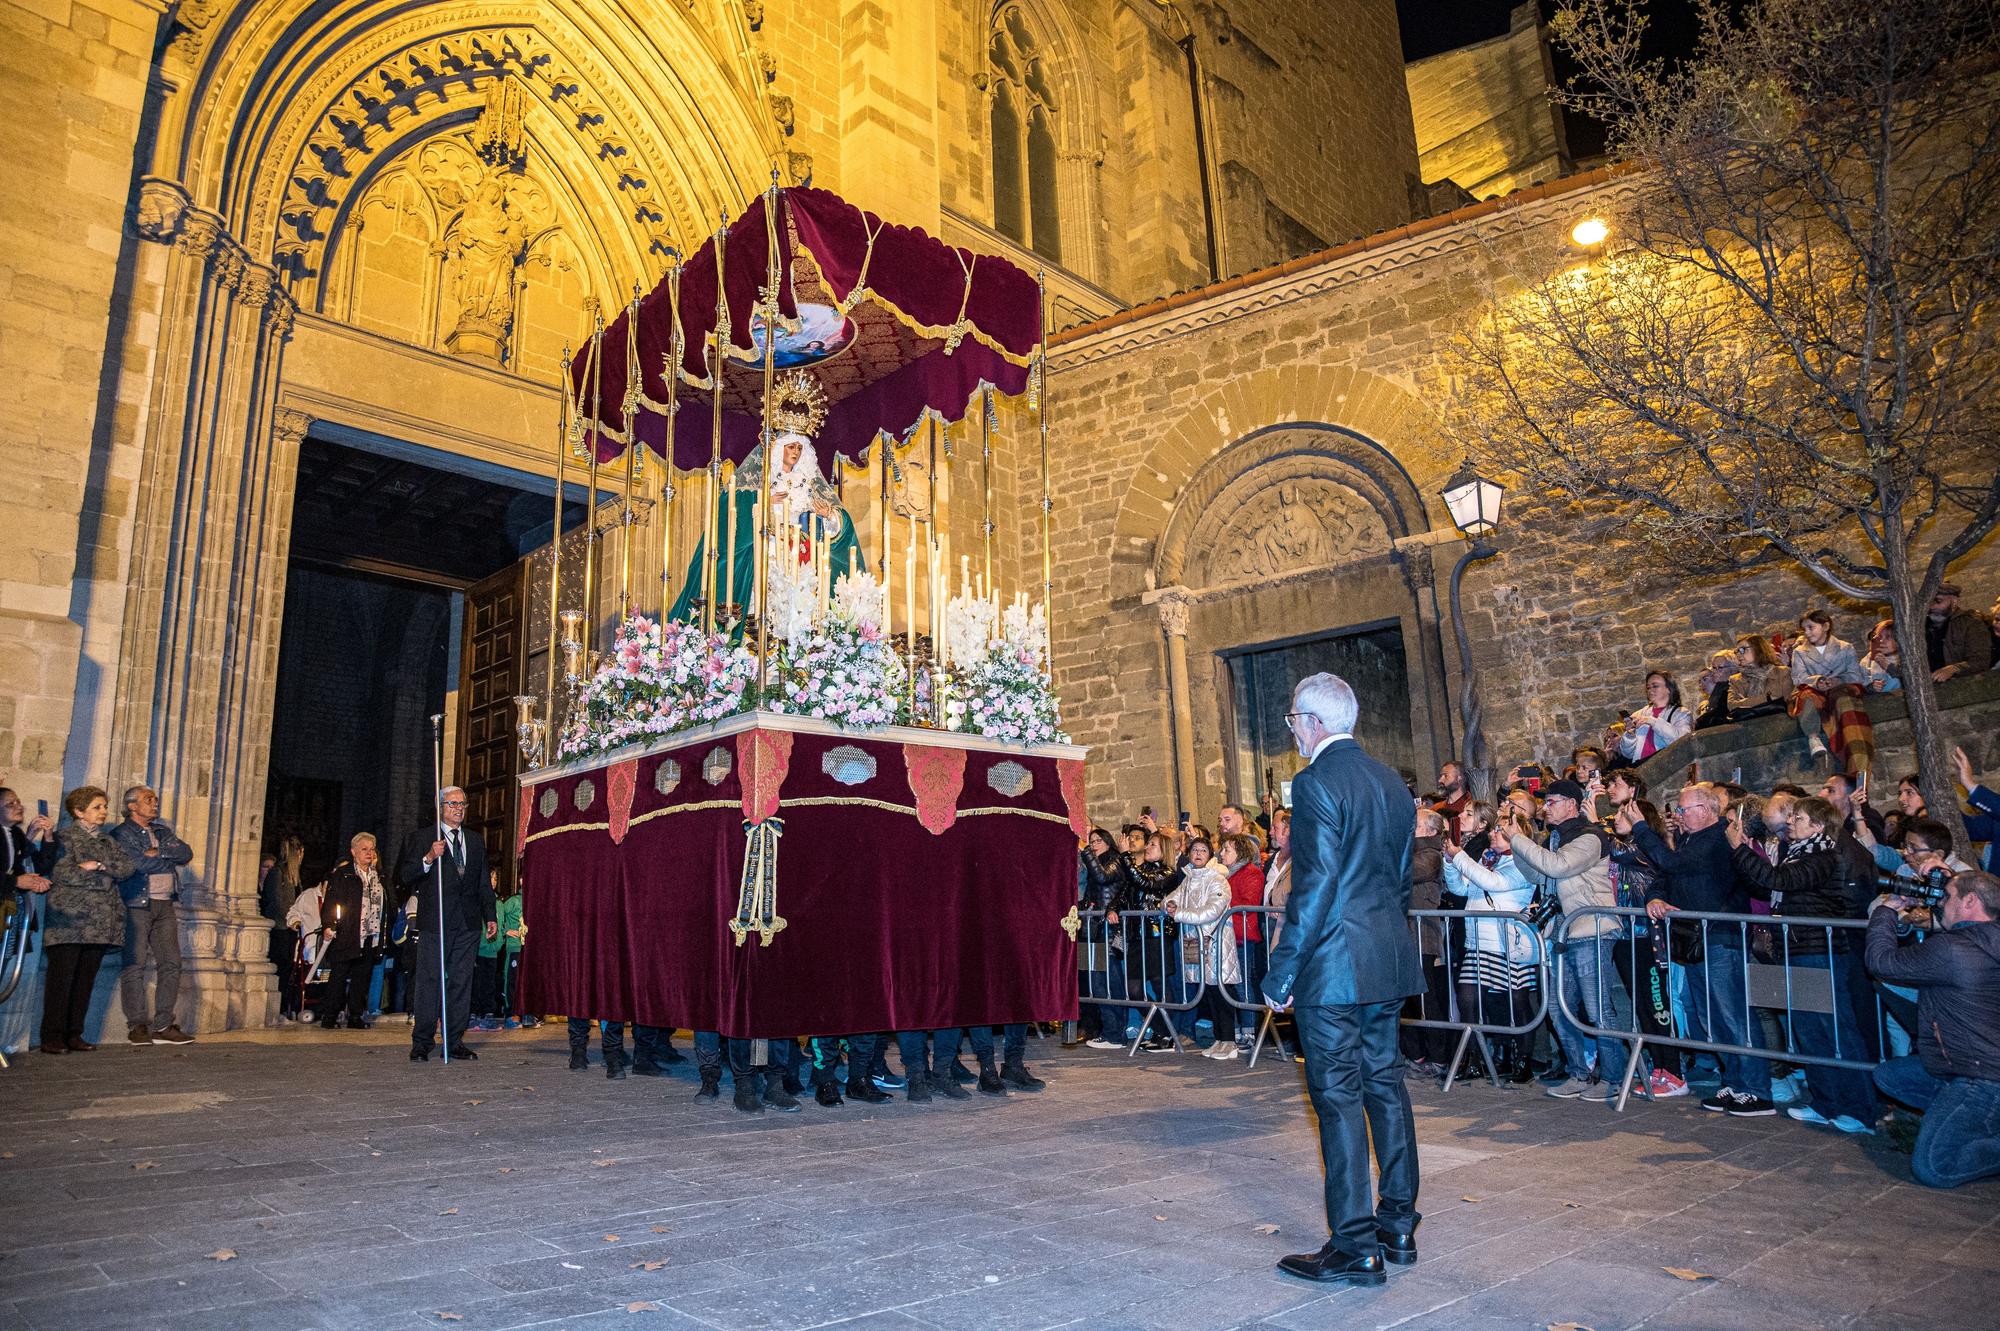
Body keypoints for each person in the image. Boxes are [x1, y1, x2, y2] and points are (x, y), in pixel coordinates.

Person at [1262, 672, 1420, 1286]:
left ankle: (1354, 1244)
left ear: (1314, 721)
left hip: (1332, 968)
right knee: (1386, 1085)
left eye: (1294, 720)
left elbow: (1316, 885)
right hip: (1385, 960)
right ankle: (1399, 1224)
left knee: (1337, 1100)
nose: (1294, 731)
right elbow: (1401, 882)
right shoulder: (1392, 783)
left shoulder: (1316, 781)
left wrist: (1282, 971)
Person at [1725, 796, 1878, 1133]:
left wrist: (1738, 848)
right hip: (1799, 949)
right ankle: (1826, 1102)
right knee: (1810, 1030)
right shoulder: (1796, 853)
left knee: (1836, 1030)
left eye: (1799, 817)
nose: (1791, 821)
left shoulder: (1822, 856)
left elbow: (1778, 880)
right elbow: (1769, 883)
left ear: (1819, 825)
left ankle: (1861, 1109)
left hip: (1819, 950)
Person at [1625, 782, 1776, 1112]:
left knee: (1733, 1015)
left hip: (1721, 937)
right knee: (1711, 1018)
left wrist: (1641, 828)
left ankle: (1756, 1088)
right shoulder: (1690, 839)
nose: (1678, 815)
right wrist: (1655, 897)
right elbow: (1668, 875)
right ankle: (1733, 1080)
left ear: (1706, 811)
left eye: (1683, 809)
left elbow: (1674, 864)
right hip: (1695, 939)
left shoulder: (1718, 837)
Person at [1508, 778, 1640, 1103]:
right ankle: (1578, 1073)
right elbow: (1542, 876)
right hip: (1563, 932)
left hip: (1590, 929)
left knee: (1597, 1009)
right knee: (1557, 1007)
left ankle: (1612, 1078)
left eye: (1551, 802)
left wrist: (1519, 840)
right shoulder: (1556, 838)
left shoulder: (1591, 837)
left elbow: (1559, 867)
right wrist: (1518, 847)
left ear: (1570, 804)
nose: (1545, 807)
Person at [1865, 870, 2000, 1188]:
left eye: (1947, 896)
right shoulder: (1986, 940)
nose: (1940, 903)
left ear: (1970, 900)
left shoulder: (1953, 950)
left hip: (1980, 1077)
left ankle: (1976, 1126)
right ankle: (1969, 1119)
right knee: (1890, 1076)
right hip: (1966, 1066)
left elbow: (1882, 962)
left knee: (1934, 1167)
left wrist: (1888, 909)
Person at [1442, 800, 1539, 1084]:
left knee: (1518, 1003)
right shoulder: (1486, 858)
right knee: (1467, 999)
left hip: (1507, 943)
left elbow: (1493, 883)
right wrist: (1451, 863)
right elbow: (1461, 887)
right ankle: (1474, 1059)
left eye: (1500, 831)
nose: (1493, 835)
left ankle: (1523, 1060)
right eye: (1494, 830)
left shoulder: (1522, 863)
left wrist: (1460, 857)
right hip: (1478, 942)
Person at [396, 786, 497, 1061]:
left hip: (467, 924)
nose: (458, 809)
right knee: (429, 982)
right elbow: (405, 876)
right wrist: (428, 858)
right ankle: (422, 1042)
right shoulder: (424, 838)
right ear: (440, 807)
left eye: (462, 804)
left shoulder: (475, 841)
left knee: (462, 982)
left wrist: (490, 915)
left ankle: (454, 1040)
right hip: (435, 922)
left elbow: (482, 882)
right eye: (452, 804)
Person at [39, 787, 136, 1055]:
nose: (103, 811)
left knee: (84, 981)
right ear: (79, 811)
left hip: (100, 923)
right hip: (69, 921)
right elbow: (61, 873)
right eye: (97, 807)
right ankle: (52, 1036)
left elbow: (126, 868)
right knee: (61, 981)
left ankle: (74, 1034)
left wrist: (100, 867)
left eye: (104, 806)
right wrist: (93, 872)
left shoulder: (107, 842)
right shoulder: (64, 839)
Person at [108, 785, 195, 1046]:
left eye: (155, 800)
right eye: (148, 800)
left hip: (165, 904)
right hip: (137, 904)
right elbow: (136, 863)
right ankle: (137, 1025)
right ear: (132, 805)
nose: (154, 804)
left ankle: (164, 1025)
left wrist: (159, 852)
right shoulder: (122, 833)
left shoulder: (161, 831)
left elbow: (186, 853)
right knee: (134, 964)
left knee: (171, 963)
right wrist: (164, 857)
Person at [1162, 836, 1240, 1059]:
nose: (1197, 853)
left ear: (1210, 855)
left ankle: (1229, 1040)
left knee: (1222, 991)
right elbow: (1169, 900)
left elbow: (1213, 910)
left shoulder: (1217, 880)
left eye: (1203, 850)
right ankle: (1219, 1038)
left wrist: (1179, 914)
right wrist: (1169, 905)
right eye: (1194, 849)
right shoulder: (1187, 880)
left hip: (1216, 943)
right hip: (1196, 943)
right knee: (1208, 992)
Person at [1787, 610, 1872, 773]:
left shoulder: (1845, 648)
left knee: (1844, 700)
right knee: (1805, 697)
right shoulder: (1799, 652)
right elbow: (1799, 677)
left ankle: (1854, 748)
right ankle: (1812, 736)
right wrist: (1817, 681)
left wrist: (1838, 680)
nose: (1807, 633)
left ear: (1825, 626)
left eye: (1811, 627)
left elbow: (1854, 674)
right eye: (1804, 629)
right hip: (1815, 690)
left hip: (1839, 689)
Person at [317, 833, 386, 1029]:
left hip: (370, 934)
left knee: (362, 976)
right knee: (339, 975)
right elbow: (332, 902)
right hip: (348, 932)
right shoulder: (343, 874)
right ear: (354, 852)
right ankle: (329, 1015)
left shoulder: (378, 875)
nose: (369, 853)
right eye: (364, 849)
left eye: (371, 849)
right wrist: (329, 924)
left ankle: (355, 1015)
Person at [1219, 831, 1267, 1047]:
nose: (1221, 853)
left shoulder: (1251, 873)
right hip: (1228, 934)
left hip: (1241, 935)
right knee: (1231, 985)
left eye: (1227, 850)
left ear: (1239, 851)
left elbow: (1249, 903)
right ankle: (1239, 1029)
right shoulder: (1225, 874)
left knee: (1243, 983)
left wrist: (1222, 907)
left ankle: (1249, 1031)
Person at [1608, 672, 1692, 769]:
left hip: (1666, 767)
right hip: (1640, 767)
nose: (1650, 690)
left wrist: (1653, 721)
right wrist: (1630, 734)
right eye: (1648, 687)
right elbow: (1628, 754)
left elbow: (1682, 741)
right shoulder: (1639, 714)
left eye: (1655, 686)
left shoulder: (1681, 713)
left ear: (1669, 688)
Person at [1924, 582, 1993, 682]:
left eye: (1938, 601)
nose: (1932, 607)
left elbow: (1980, 661)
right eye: (1929, 602)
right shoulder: (1922, 625)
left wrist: (1954, 669)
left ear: (1954, 602)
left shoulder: (1971, 624)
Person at [1726, 633, 1791, 721]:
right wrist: (1768, 698)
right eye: (1736, 651)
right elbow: (1732, 705)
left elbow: (1789, 702)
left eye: (1742, 649)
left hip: (1781, 723)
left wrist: (1746, 702)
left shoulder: (1782, 672)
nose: (1738, 654)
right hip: (1749, 725)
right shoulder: (1735, 680)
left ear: (1758, 649)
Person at [1860, 619, 1902, 693]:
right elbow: (1860, 685)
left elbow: (1910, 681)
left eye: (1888, 637)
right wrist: (1871, 687)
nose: (1882, 641)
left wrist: (1887, 666)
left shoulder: (1905, 659)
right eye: (1879, 637)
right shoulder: (1867, 661)